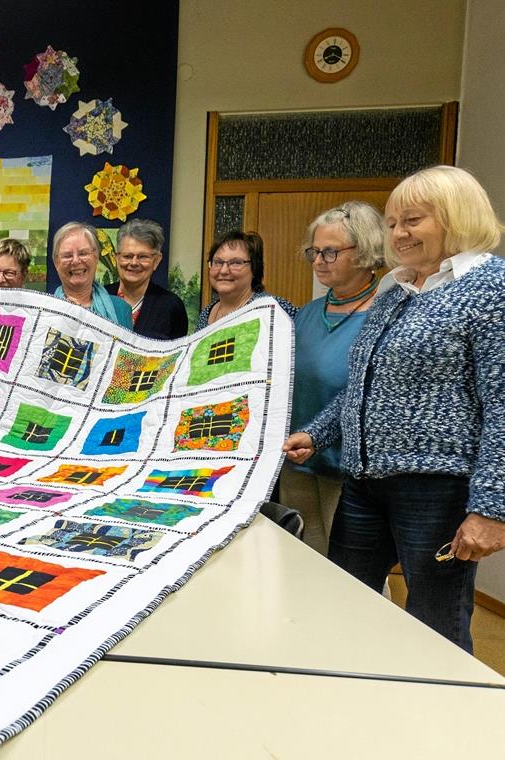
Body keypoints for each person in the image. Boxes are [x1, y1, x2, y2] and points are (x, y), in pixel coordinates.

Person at [282, 165, 505, 652]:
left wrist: (491, 508)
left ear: (456, 217)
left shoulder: (490, 288)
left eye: (414, 220)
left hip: (434, 489)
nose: (399, 233)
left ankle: (438, 719)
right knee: (343, 602)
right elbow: (364, 387)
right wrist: (317, 433)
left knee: (434, 622)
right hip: (365, 483)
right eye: (392, 222)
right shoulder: (396, 292)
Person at [281, 202, 385, 555]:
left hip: (348, 464)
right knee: (305, 553)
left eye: (330, 251)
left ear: (365, 251)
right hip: (296, 458)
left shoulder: (383, 315)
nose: (319, 261)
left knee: (352, 567)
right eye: (314, 251)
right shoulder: (307, 314)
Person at [197, 230, 297, 328]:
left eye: (235, 262)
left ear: (254, 268)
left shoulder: (274, 308)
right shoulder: (206, 314)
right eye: (218, 262)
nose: (223, 271)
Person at [107, 219, 187, 339]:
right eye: (127, 256)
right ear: (116, 259)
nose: (134, 263)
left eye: (143, 257)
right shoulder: (101, 298)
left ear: (157, 260)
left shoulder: (171, 307)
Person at [52, 221, 132, 328]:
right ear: (56, 262)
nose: (76, 261)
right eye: (67, 255)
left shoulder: (121, 309)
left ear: (96, 257)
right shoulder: (43, 311)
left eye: (83, 253)